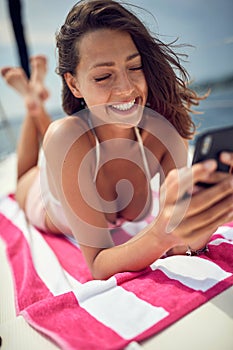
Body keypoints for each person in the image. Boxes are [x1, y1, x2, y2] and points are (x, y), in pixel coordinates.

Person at [1, 0, 233, 280]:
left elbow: (183, 242)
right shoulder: (66, 137)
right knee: (27, 174)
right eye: (103, 76)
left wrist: (212, 210)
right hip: (42, 195)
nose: (125, 89)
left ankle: (34, 96)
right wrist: (161, 234)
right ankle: (32, 103)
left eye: (134, 67)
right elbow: (99, 264)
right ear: (74, 84)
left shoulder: (166, 132)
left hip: (71, 160)